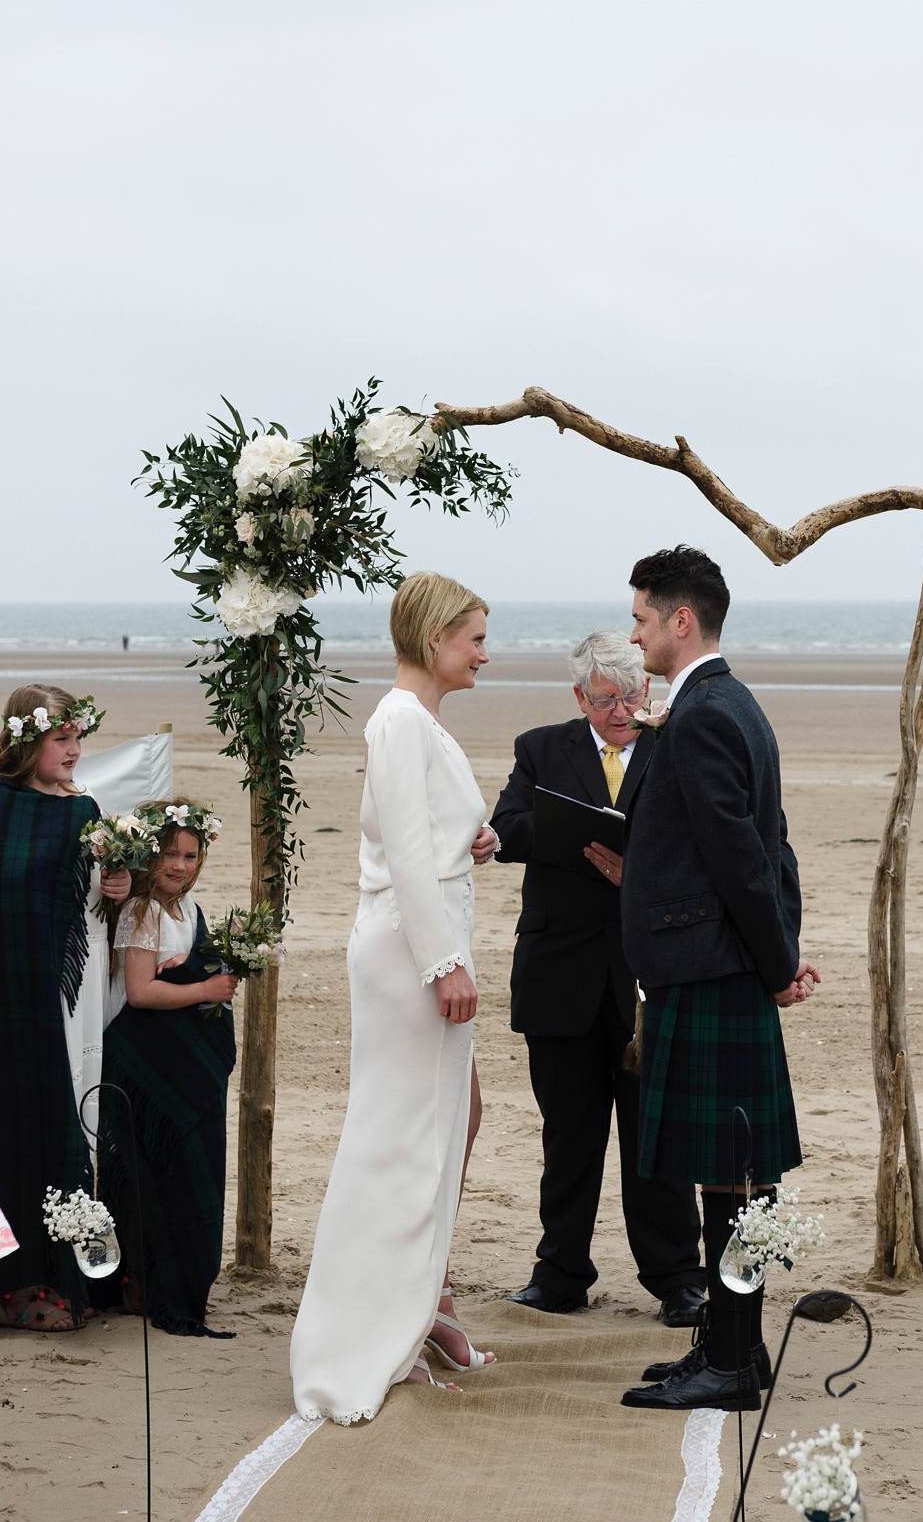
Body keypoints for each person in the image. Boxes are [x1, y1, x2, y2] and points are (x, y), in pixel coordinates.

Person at [604, 548, 819, 1413]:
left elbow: (743, 858)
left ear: (680, 620)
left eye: (643, 618)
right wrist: (781, 950)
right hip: (722, 970)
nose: (635, 632)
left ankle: (730, 1365)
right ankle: (734, 1348)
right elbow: (773, 848)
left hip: (713, 976)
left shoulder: (701, 715)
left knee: (730, 1179)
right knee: (734, 1175)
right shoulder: (728, 706)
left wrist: (774, 966)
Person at [290, 571, 500, 1424]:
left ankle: (411, 1319)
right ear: (434, 636)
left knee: (447, 1125)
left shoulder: (419, 723)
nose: (485, 652)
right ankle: (359, 1345)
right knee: (397, 1143)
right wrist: (444, 963)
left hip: (420, 937)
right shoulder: (399, 719)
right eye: (475, 638)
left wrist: (471, 840)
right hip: (412, 951)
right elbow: (406, 859)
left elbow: (421, 838)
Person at [491, 630, 704, 1324]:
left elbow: (700, 843)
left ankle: (677, 1279)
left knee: (657, 1140)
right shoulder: (540, 748)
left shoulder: (676, 746)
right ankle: (560, 1276)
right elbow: (507, 831)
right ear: (580, 697)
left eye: (633, 695)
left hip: (650, 975)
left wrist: (634, 861)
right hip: (562, 973)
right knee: (568, 1138)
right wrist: (573, 839)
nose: (621, 711)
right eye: (606, 699)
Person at [0, 686, 130, 1332]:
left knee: (65, 1116)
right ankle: (11, 1285)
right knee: (5, 1122)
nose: (76, 751)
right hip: (3, 988)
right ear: (29, 741)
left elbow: (93, 900)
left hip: (64, 996)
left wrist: (117, 883)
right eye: (63, 740)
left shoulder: (86, 809)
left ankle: (65, 1275)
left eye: (79, 739)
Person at [101, 803, 239, 1336]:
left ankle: (180, 1280)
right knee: (154, 1179)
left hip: (188, 1068)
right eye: (168, 854)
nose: (179, 866)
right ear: (147, 855)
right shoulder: (143, 911)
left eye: (190, 855)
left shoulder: (189, 909)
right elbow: (140, 991)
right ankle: (146, 1281)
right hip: (154, 1069)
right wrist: (205, 987)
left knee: (191, 1174)